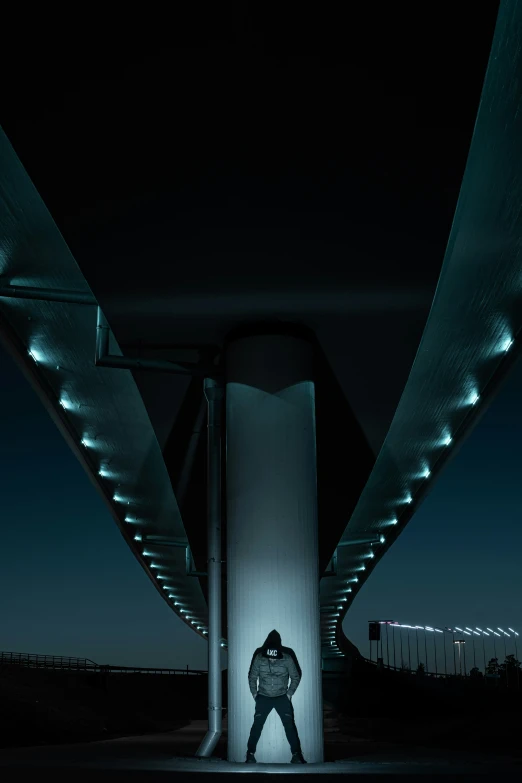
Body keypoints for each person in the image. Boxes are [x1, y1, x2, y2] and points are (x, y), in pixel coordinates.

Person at [246, 629, 306, 763]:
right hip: (263, 696)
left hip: (281, 697)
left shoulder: (287, 657)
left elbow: (296, 676)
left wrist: (290, 694)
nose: (272, 659)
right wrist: (254, 693)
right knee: (257, 725)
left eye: (275, 657)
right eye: (270, 657)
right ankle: (250, 754)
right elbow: (252, 676)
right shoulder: (259, 656)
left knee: (290, 725)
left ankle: (296, 755)